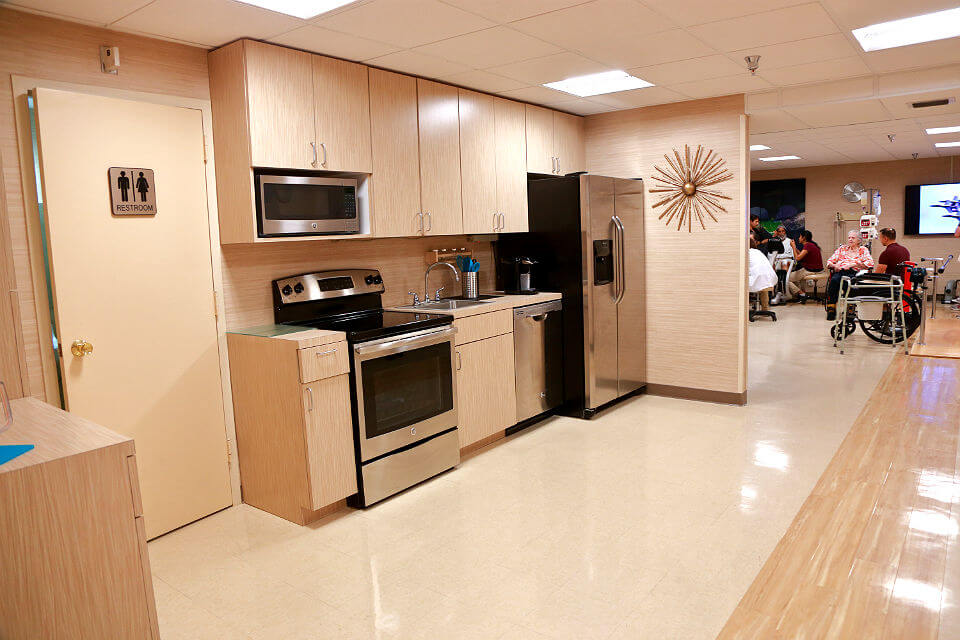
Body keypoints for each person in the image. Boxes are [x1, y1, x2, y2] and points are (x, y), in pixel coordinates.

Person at [825, 230, 874, 320]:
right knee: (834, 281)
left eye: (853, 238)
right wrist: (835, 265)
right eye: (849, 238)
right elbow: (829, 262)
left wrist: (853, 264)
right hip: (841, 271)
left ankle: (850, 308)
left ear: (859, 240)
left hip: (855, 273)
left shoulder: (863, 250)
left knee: (849, 283)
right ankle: (831, 309)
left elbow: (870, 263)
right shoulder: (842, 249)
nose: (850, 239)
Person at [787, 230, 824, 300]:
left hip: (811, 270)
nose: (798, 238)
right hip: (817, 269)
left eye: (800, 237)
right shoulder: (811, 245)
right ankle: (800, 294)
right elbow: (802, 255)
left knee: (786, 279)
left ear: (803, 238)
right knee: (795, 278)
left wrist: (793, 247)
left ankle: (801, 293)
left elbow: (797, 258)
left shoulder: (808, 245)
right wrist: (795, 248)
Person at [749, 237, 778, 313]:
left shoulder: (747, 253)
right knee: (763, 283)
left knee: (742, 284)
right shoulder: (758, 252)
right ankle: (765, 308)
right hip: (771, 279)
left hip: (759, 280)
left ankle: (744, 308)